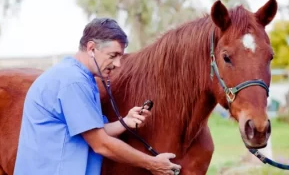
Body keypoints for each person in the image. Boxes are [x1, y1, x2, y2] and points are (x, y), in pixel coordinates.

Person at [13, 18, 181, 175]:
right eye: (113, 55)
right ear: (91, 48)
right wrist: (153, 163)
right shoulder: (73, 82)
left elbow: (90, 129)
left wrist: (125, 122)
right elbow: (101, 144)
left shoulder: (78, 77)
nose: (118, 64)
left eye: (120, 56)